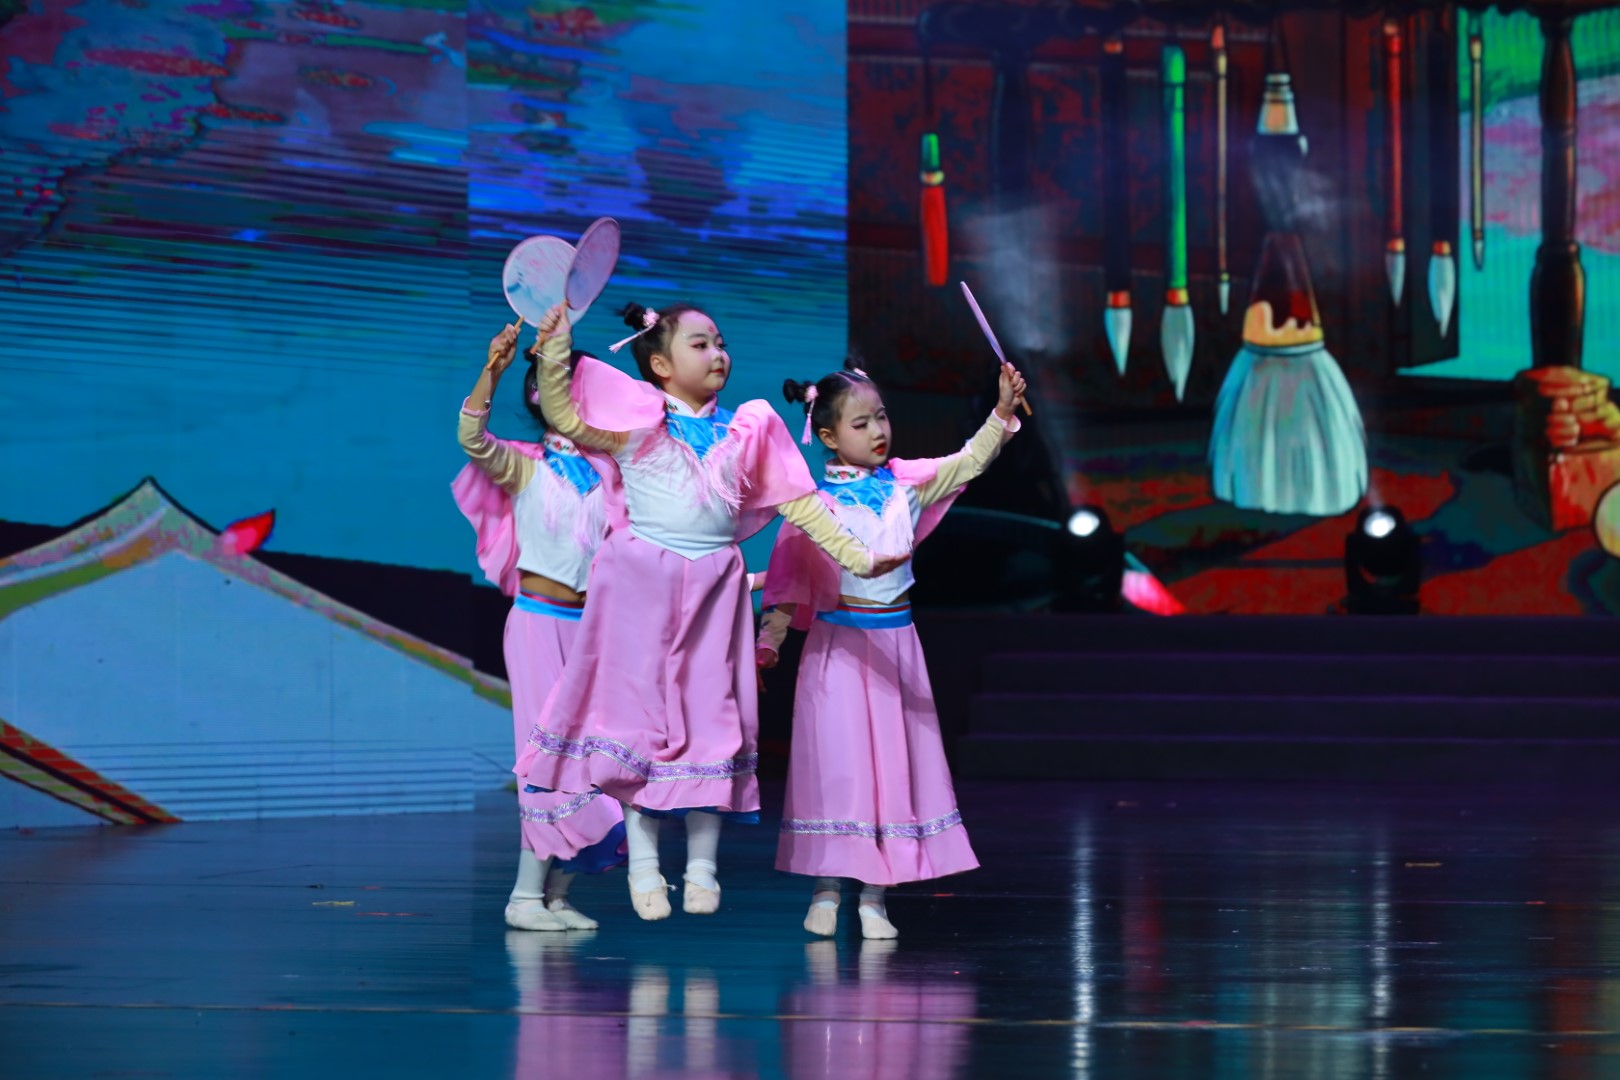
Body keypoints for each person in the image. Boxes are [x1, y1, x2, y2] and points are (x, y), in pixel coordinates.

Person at [516, 301, 908, 921]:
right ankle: (644, 866)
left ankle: (701, 866)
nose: (717, 353)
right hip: (640, 589)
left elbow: (801, 504)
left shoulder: (745, 430)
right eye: (700, 345)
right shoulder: (639, 422)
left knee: (713, 725)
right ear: (660, 365)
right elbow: (564, 413)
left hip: (713, 592)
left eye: (720, 342)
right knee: (636, 731)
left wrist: (858, 556)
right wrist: (558, 347)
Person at [758, 355, 1025, 938]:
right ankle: (827, 888)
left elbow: (970, 460)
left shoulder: (907, 484)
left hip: (896, 646)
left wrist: (1002, 409)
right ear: (828, 437)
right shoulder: (813, 506)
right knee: (839, 768)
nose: (878, 430)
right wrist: (768, 643)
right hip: (838, 649)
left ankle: (876, 896)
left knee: (891, 770)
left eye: (881, 417)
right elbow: (785, 584)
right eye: (861, 423)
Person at [453, 319, 625, 931]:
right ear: (539, 392)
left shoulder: (614, 476)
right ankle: (524, 897)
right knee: (548, 760)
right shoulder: (525, 466)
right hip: (537, 626)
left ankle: (555, 895)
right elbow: (472, 438)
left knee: (593, 761)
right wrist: (492, 370)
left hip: (591, 633)